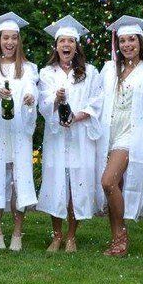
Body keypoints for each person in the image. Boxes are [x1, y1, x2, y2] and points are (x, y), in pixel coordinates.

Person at [37, 15, 103, 252]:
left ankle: (72, 236)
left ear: (77, 46)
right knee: (56, 184)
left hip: (80, 137)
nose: (66, 45)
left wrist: (77, 116)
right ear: (56, 46)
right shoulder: (46, 73)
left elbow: (97, 102)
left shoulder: (90, 72)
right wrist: (56, 100)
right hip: (56, 137)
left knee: (78, 184)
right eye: (62, 41)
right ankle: (57, 235)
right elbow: (43, 104)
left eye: (71, 41)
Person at [97, 15, 143, 256]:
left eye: (132, 39)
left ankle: (121, 235)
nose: (127, 45)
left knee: (108, 181)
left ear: (140, 42)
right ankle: (116, 239)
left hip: (131, 132)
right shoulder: (109, 69)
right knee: (115, 186)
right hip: (109, 130)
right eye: (122, 41)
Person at [0, 12, 39, 251]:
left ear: (19, 40)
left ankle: (16, 232)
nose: (10, 42)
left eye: (14, 38)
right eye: (6, 37)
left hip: (19, 131)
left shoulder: (28, 68)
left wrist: (30, 98)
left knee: (19, 180)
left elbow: (32, 90)